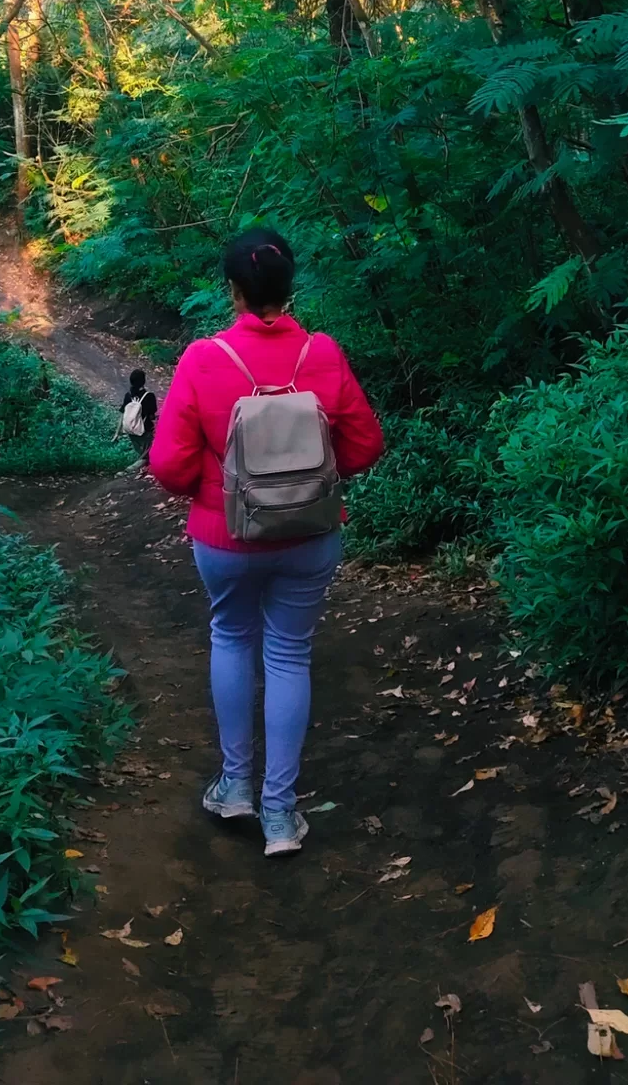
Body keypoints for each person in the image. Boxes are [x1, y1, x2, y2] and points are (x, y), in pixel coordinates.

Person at [148, 227, 383, 857]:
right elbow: (364, 445)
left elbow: (168, 467)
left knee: (232, 638)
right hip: (311, 534)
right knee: (289, 656)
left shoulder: (203, 359)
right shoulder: (323, 354)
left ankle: (236, 788)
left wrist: (219, 485)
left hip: (224, 536)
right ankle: (280, 816)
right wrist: (311, 482)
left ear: (233, 290)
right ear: (289, 285)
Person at [119, 368, 157, 464]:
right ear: (143, 381)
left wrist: (117, 432)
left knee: (141, 452)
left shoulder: (128, 395)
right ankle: (129, 470)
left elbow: (123, 413)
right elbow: (152, 415)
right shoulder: (149, 396)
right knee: (147, 455)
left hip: (130, 430)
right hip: (144, 430)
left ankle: (139, 463)